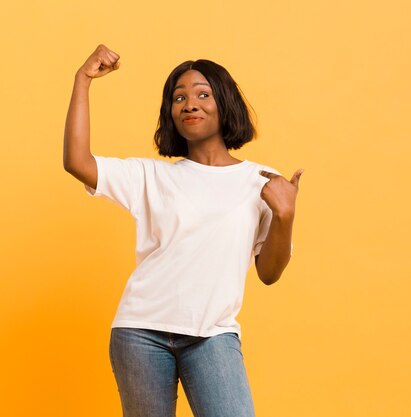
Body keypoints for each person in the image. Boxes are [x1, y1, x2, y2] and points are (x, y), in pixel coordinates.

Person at [63, 44, 303, 417]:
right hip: (140, 332)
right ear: (170, 113)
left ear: (224, 104)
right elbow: (77, 161)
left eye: (203, 94)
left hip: (214, 334)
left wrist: (285, 215)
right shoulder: (152, 176)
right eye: (179, 98)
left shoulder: (260, 181)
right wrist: (83, 80)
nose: (190, 104)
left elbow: (269, 273)